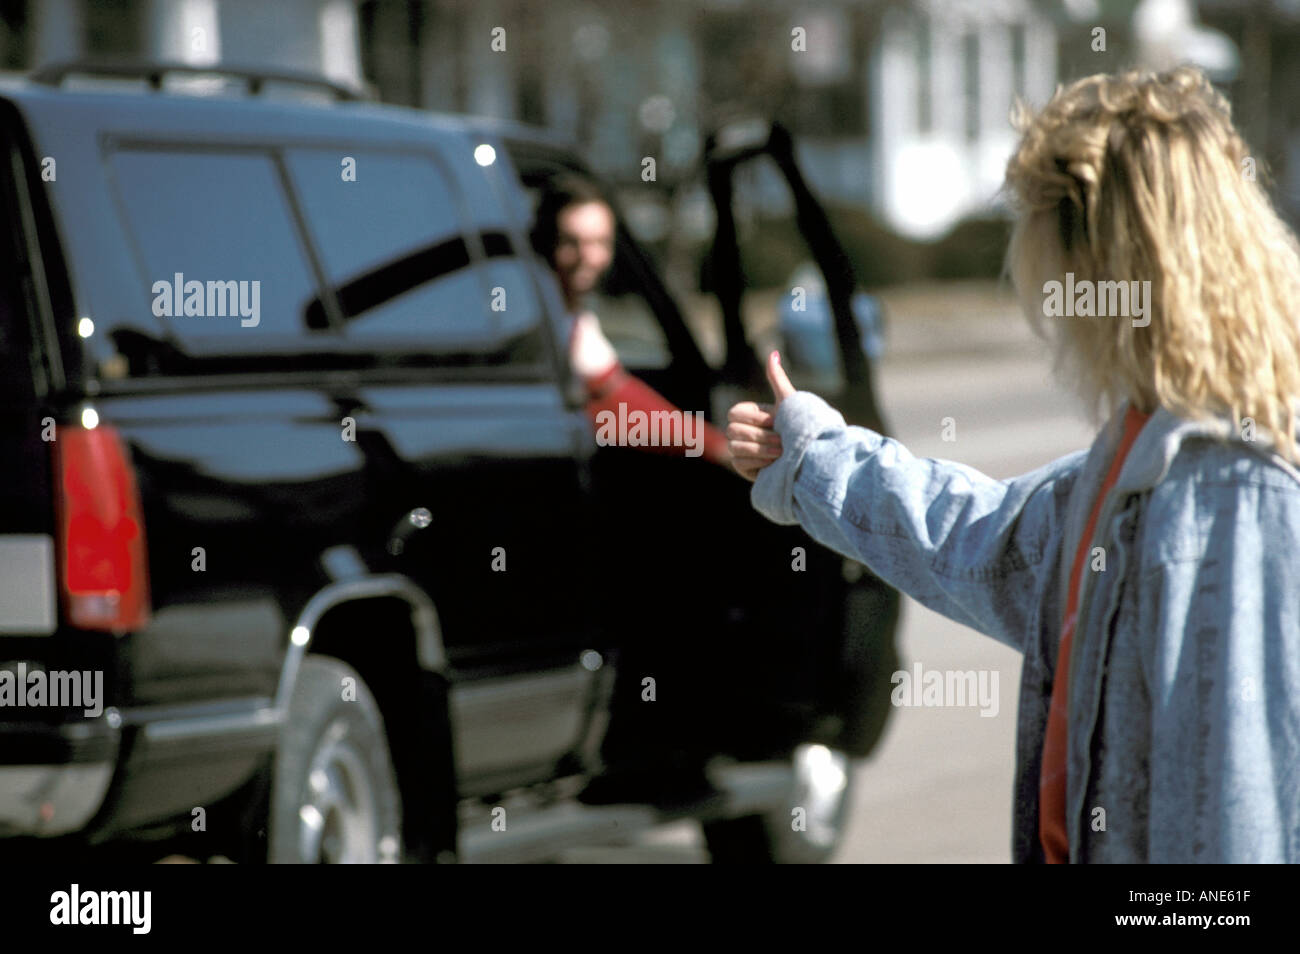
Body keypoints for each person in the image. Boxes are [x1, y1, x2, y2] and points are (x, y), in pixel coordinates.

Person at [728, 67, 1300, 862]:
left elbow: (1241, 842)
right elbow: (988, 543)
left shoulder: (1241, 490)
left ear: (1102, 258)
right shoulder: (1143, 451)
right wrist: (817, 457)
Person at [530, 174, 731, 467]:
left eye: (600, 242)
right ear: (545, 244)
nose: (588, 256)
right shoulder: (540, 318)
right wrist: (715, 447)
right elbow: (617, 409)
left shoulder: (573, 317)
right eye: (571, 242)